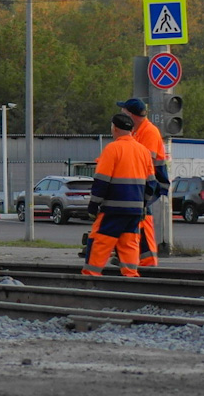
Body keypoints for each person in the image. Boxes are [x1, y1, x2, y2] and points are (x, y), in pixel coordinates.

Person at [83, 113, 158, 278]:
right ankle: (131, 277)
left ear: (114, 128)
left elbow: (102, 181)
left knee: (99, 241)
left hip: (113, 209)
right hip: (135, 211)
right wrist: (143, 205)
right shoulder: (143, 151)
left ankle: (90, 276)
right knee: (129, 243)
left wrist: (93, 205)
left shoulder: (112, 149)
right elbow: (151, 184)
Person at [117, 96, 170, 266]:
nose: (121, 113)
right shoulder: (136, 131)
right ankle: (130, 256)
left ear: (131, 115)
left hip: (151, 182)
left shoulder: (149, 131)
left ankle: (147, 260)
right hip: (141, 181)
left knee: (142, 217)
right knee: (132, 216)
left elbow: (146, 161)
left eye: (123, 111)